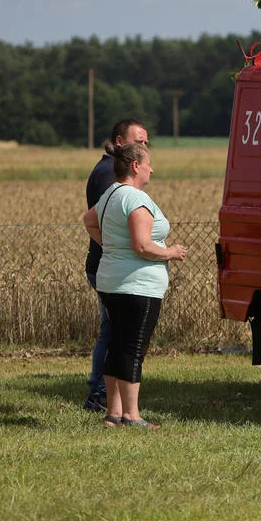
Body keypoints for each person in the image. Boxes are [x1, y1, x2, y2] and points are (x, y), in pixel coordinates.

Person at [82, 142, 187, 429]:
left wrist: (113, 247)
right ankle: (132, 415)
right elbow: (142, 245)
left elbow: (89, 220)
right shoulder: (136, 199)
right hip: (137, 286)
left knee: (116, 343)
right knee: (134, 347)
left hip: (110, 280)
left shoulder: (110, 194)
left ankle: (113, 414)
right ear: (135, 166)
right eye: (148, 163)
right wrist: (171, 252)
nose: (152, 168)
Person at [83, 119, 149, 413]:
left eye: (146, 143)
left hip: (107, 263)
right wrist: (115, 247)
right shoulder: (110, 174)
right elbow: (106, 220)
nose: (144, 147)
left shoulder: (106, 169)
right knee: (114, 332)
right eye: (139, 141)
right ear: (120, 142)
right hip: (110, 266)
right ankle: (100, 395)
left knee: (110, 329)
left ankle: (101, 393)